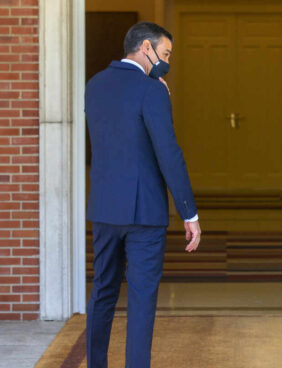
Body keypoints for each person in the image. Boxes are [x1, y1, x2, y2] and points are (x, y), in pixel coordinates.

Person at [84, 22, 201, 368]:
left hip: (104, 207)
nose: (167, 62)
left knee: (102, 293)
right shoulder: (152, 91)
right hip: (145, 214)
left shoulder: (95, 85)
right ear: (146, 48)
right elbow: (168, 151)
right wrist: (188, 213)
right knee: (141, 300)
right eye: (165, 54)